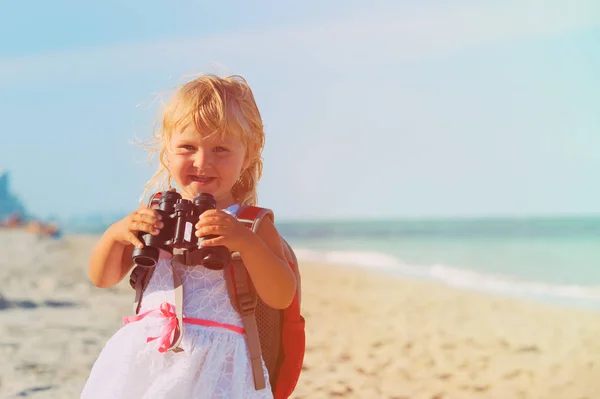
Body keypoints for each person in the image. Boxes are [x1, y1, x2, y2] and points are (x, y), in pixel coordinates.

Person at [81, 75, 297, 399]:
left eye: (220, 148)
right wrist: (116, 236)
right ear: (167, 151)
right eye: (187, 147)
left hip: (219, 366)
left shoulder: (250, 222)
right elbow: (102, 278)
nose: (202, 161)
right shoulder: (156, 215)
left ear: (249, 155)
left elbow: (281, 296)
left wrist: (245, 243)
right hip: (149, 356)